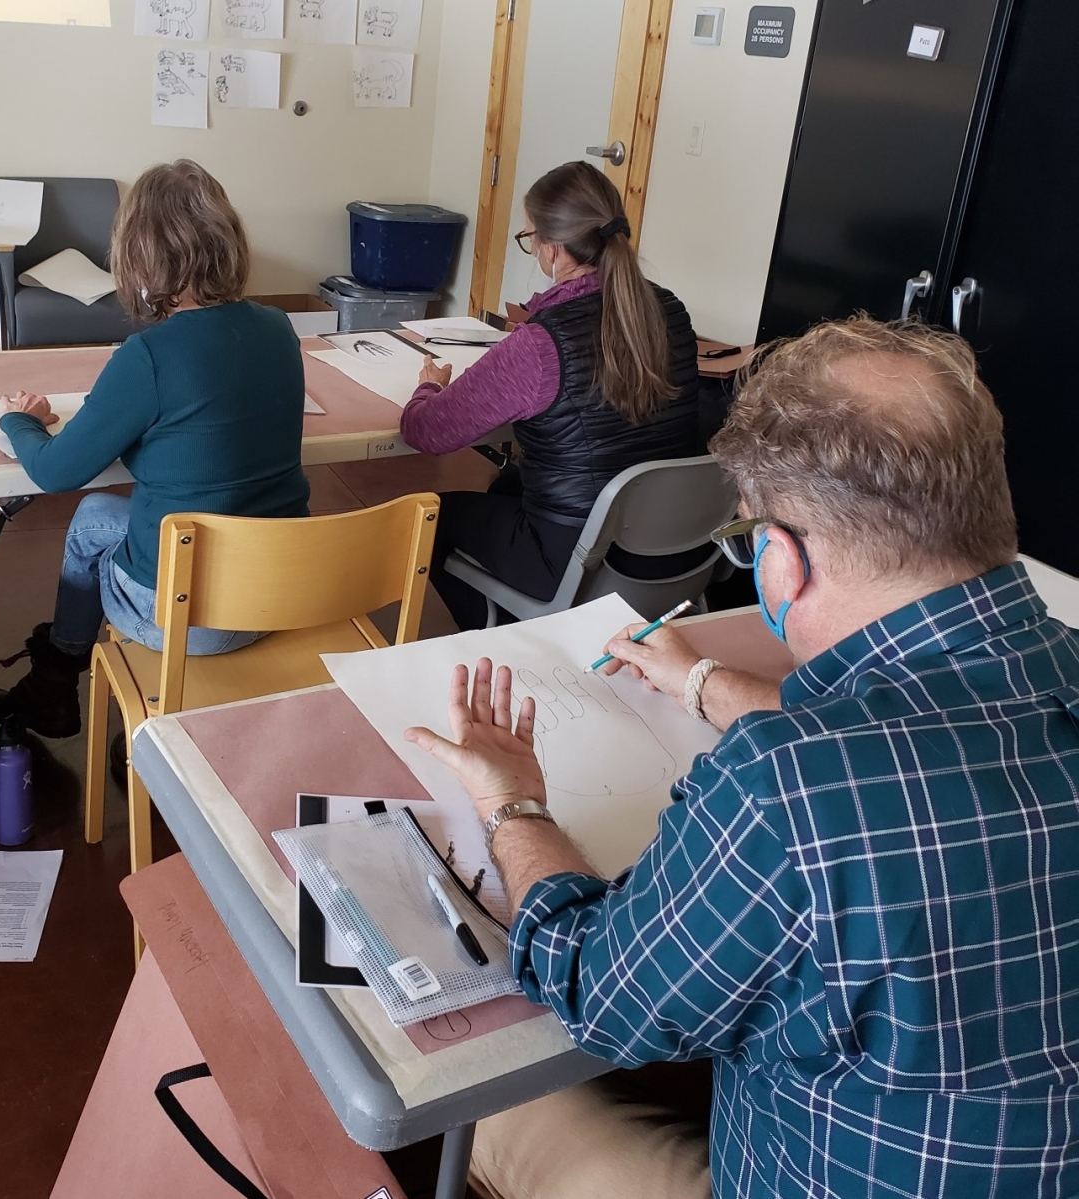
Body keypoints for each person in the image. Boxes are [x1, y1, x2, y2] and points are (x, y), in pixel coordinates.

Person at [405, 317, 1079, 1198]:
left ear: (782, 561)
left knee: (484, 1103)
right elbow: (927, 716)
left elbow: (598, 993)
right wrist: (702, 684)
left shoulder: (788, 784)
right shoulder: (1049, 661)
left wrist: (514, 804)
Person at [0, 160, 309, 739]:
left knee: (87, 522)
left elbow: (55, 472)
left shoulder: (148, 356)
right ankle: (60, 678)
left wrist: (17, 421)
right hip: (276, 591)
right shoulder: (279, 326)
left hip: (189, 617)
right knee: (103, 518)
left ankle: (58, 676)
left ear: (138, 255)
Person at [399, 161, 701, 631]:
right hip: (676, 546)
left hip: (578, 558)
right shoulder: (668, 309)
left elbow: (426, 431)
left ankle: (504, 643)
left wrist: (430, 386)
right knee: (505, 487)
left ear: (555, 250)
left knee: (434, 517)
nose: (533, 250)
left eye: (529, 239)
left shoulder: (542, 344)